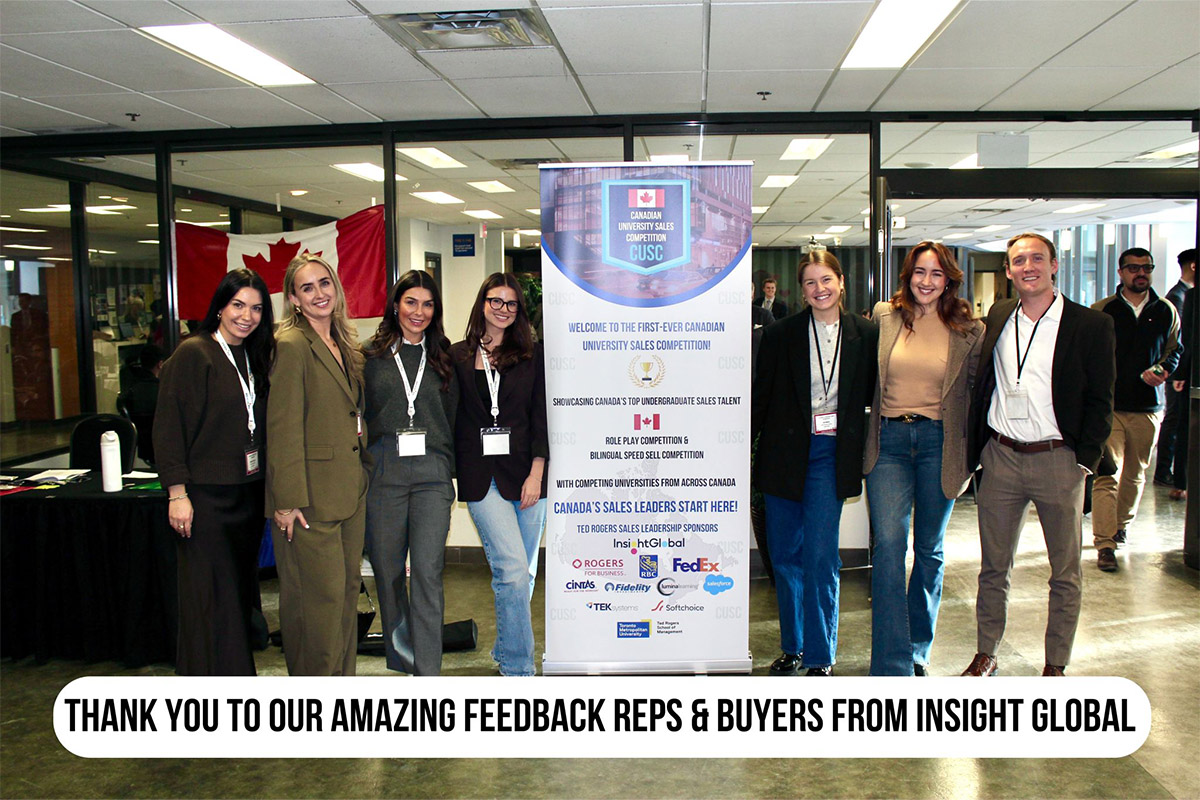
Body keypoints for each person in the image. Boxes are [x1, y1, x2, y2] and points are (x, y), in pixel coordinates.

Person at [962, 232, 1114, 677]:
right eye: (1018, 261)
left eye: (1036, 259)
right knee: (994, 566)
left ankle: (1055, 664)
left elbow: (1101, 399)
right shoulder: (999, 315)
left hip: (1058, 459)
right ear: (1008, 271)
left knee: (1064, 571)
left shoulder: (1090, 325)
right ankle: (986, 653)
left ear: (1053, 265)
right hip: (1002, 457)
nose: (1027, 267)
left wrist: (1083, 461)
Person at [752, 250, 878, 676]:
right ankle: (794, 647)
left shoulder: (866, 334)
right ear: (802, 290)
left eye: (826, 280)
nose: (819, 289)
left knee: (821, 557)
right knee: (786, 555)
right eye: (810, 282)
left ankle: (821, 655)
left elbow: (874, 396)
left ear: (841, 282)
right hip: (784, 455)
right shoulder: (780, 334)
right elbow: (761, 399)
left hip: (831, 455)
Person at [864, 242, 984, 676]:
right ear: (908, 275)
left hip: (939, 443)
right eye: (919, 272)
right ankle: (891, 661)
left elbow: (976, 394)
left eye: (936, 273)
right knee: (889, 547)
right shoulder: (885, 317)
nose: (927, 281)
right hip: (889, 443)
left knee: (929, 549)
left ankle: (917, 649)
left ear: (949, 279)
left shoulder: (970, 329)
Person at [154, 268, 274, 675]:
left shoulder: (255, 355)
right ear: (220, 306)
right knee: (208, 600)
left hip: (247, 494)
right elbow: (168, 428)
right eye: (238, 305)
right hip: (206, 499)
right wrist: (177, 493)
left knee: (237, 597)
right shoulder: (194, 353)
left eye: (256, 308)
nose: (246, 316)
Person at [267, 254, 368, 676]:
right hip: (309, 500)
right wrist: (287, 501)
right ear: (293, 299)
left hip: (350, 491)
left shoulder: (344, 343)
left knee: (345, 596)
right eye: (306, 288)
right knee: (317, 604)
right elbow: (283, 427)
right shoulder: (291, 345)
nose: (319, 293)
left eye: (324, 283)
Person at [451, 273, 549, 676]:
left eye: (511, 303)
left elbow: (541, 417)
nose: (503, 309)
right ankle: (519, 668)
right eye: (496, 301)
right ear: (483, 303)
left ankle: (506, 646)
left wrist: (537, 472)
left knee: (523, 573)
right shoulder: (457, 355)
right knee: (510, 569)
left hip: (526, 474)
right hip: (480, 478)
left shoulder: (532, 355)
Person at [363, 270, 458, 676]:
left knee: (427, 572)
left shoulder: (445, 357)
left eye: (428, 304)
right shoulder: (370, 357)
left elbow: (453, 416)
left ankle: (428, 672)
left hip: (432, 473)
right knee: (387, 572)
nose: (419, 312)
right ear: (396, 305)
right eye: (411, 302)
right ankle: (406, 657)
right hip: (385, 469)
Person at [1090, 247, 1180, 571]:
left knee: (1135, 474)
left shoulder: (1166, 310)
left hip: (1147, 407)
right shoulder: (1103, 310)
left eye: (1146, 268)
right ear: (1121, 272)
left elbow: (1175, 350)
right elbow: (1088, 354)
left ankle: (1120, 526)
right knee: (1107, 474)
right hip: (1110, 406)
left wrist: (1164, 369)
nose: (1141, 273)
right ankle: (1105, 543)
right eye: (1133, 268)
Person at [1154, 248, 1194, 489]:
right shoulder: (1179, 297)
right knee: (1174, 420)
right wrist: (1179, 373)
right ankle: (1164, 471)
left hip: (1180, 371)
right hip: (1179, 372)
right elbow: (1181, 339)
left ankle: (1167, 471)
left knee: (1176, 419)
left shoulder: (1182, 294)